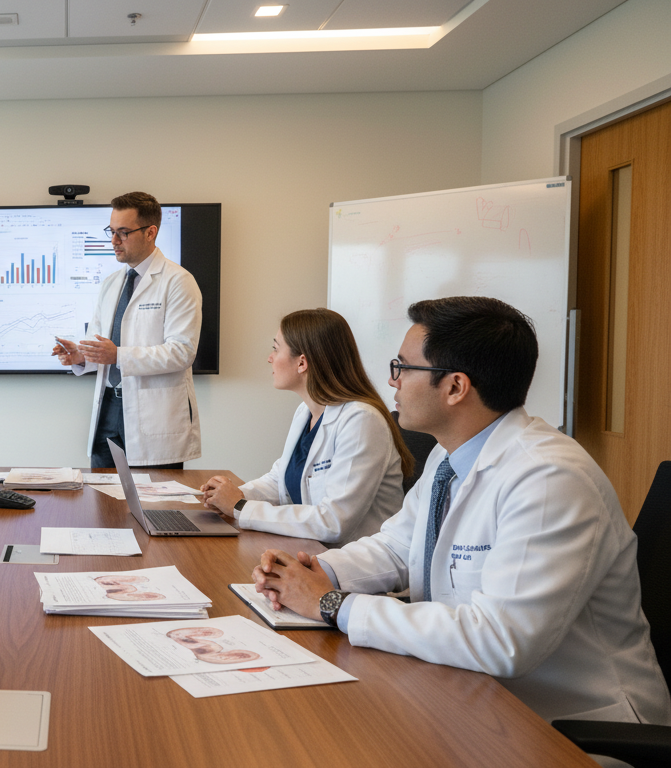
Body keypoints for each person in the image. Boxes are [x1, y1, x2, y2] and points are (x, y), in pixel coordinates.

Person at [251, 296, 671, 724]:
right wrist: (315, 570)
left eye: (402, 367)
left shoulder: (549, 479)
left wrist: (333, 604)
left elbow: (500, 640)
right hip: (471, 698)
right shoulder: (448, 457)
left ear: (455, 387)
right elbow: (397, 546)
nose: (392, 381)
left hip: (568, 724)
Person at [199, 309, 411, 545]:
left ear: (302, 362)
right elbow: (279, 479)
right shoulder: (306, 412)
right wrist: (230, 496)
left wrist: (240, 506)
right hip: (308, 550)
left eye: (276, 348)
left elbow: (333, 522)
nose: (270, 358)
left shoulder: (361, 421)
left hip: (353, 567)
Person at [52, 191, 203, 469]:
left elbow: (182, 352)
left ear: (150, 232)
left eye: (123, 232)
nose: (113, 241)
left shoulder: (179, 282)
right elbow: (99, 344)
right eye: (111, 231)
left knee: (154, 510)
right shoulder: (111, 283)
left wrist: (118, 355)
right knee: (103, 508)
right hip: (107, 412)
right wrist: (81, 356)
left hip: (154, 418)